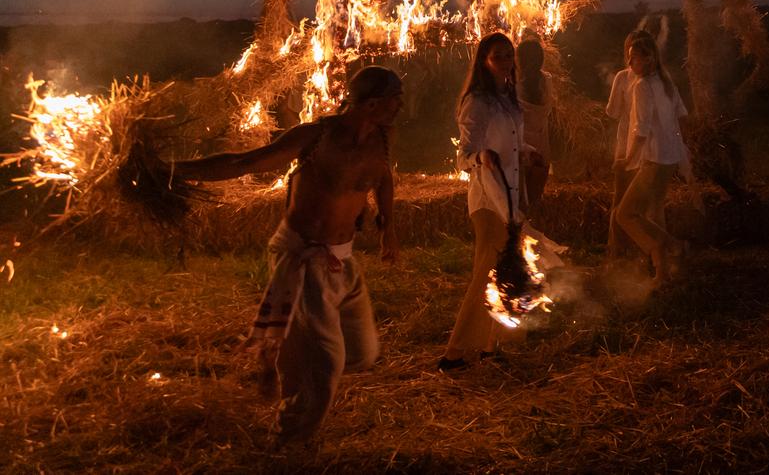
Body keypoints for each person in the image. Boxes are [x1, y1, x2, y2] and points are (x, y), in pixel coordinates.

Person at [171, 66, 402, 445]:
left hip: (342, 260)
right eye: (396, 100)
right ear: (374, 103)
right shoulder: (316, 137)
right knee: (328, 365)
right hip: (304, 258)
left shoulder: (382, 138)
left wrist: (388, 227)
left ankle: (289, 368)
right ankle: (289, 443)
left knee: (362, 353)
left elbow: (383, 177)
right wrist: (174, 173)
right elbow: (244, 162)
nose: (400, 107)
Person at [440, 32, 531, 370]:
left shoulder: (507, 97)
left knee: (503, 271)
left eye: (509, 56)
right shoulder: (476, 101)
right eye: (498, 56)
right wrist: (481, 157)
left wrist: (531, 154)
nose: (506, 63)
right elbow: (462, 157)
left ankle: (493, 345)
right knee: (485, 274)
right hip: (487, 198)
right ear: (483, 61)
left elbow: (514, 143)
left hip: (510, 195)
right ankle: (455, 351)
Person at [605, 29, 701, 281]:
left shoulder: (642, 86)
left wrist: (628, 159)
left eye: (634, 58)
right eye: (629, 58)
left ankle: (662, 248)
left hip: (653, 159)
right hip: (669, 157)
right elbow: (682, 116)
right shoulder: (666, 82)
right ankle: (663, 269)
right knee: (654, 210)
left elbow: (641, 129)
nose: (629, 63)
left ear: (648, 59)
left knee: (624, 213)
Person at [518, 37, 552, 217]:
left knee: (518, 210)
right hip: (542, 152)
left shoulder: (513, 85)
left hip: (522, 153)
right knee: (533, 207)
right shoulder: (547, 81)